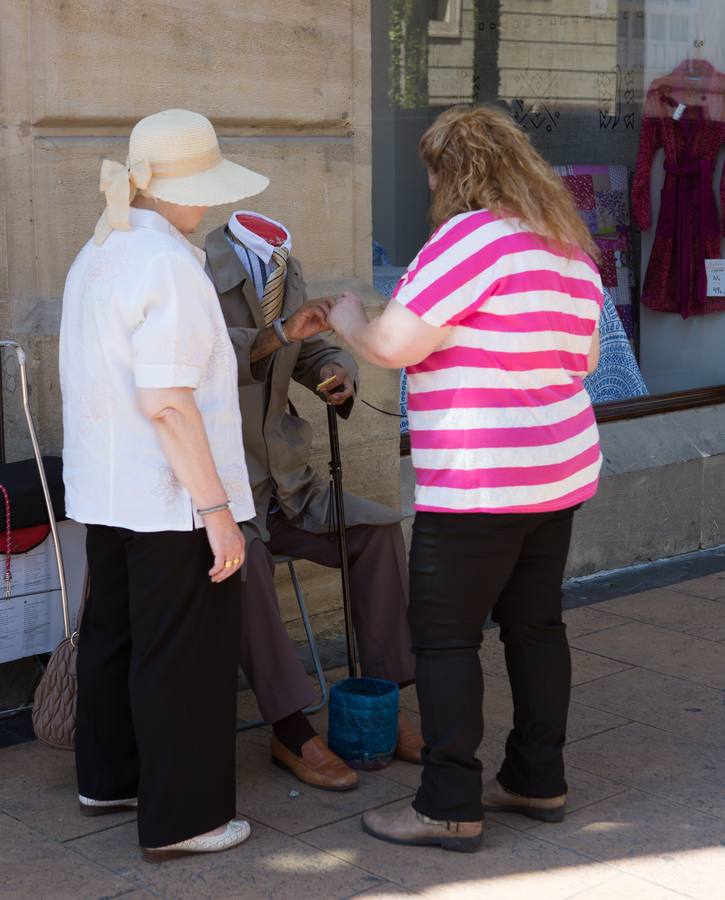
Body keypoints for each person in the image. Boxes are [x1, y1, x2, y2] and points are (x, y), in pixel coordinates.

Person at [327, 104, 603, 852]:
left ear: (452, 172)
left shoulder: (469, 238)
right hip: (558, 470)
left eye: (430, 171)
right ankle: (536, 779)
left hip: (481, 479)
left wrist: (350, 319)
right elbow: (582, 363)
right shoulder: (567, 245)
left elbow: (391, 343)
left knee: (444, 639)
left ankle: (447, 802)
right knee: (535, 626)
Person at [59, 109, 270, 862]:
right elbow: (170, 401)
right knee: (182, 655)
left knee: (115, 635)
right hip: (168, 490)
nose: (207, 203)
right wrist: (216, 510)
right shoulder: (168, 264)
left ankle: (108, 778)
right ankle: (185, 818)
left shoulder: (101, 249)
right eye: (202, 187)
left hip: (107, 487)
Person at [203, 210, 423, 790]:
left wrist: (335, 369)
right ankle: (290, 727)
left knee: (375, 529)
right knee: (243, 566)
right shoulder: (196, 270)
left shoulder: (284, 267)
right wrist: (281, 333)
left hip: (287, 483)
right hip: (225, 490)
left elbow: (308, 350)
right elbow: (210, 356)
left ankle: (385, 698)